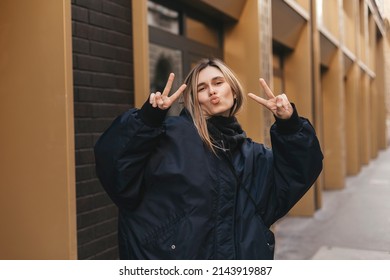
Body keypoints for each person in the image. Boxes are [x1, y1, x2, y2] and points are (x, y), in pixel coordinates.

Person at [94, 58, 323, 260]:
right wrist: (147, 120)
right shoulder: (167, 136)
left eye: (218, 83)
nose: (212, 91)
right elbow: (115, 167)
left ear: (233, 91)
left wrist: (290, 124)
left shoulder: (252, 154)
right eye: (202, 88)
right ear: (194, 99)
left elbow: (296, 174)